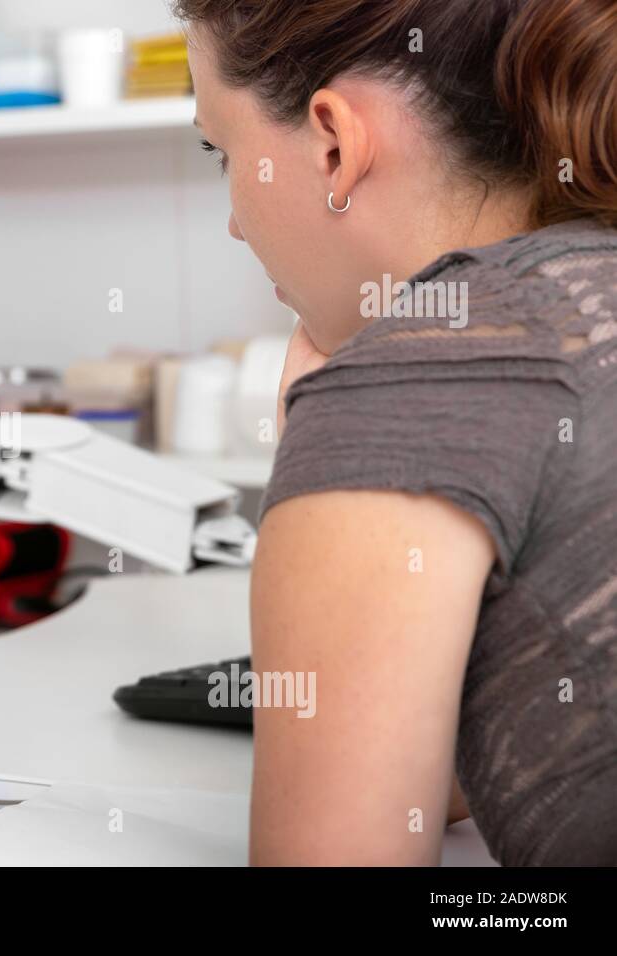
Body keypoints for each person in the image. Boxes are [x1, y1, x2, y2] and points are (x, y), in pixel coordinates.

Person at [175, 0, 617, 864]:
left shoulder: (420, 372)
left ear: (334, 143)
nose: (233, 219)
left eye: (220, 151)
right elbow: (474, 772)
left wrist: (342, 434)